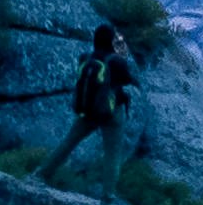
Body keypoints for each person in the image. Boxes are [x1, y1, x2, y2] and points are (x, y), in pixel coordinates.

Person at [49, 19, 139, 195]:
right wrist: (122, 53)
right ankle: (107, 199)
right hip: (111, 112)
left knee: (68, 143)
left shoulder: (86, 57)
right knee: (112, 155)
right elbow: (128, 80)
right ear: (111, 41)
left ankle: (41, 174)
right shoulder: (116, 61)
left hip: (88, 109)